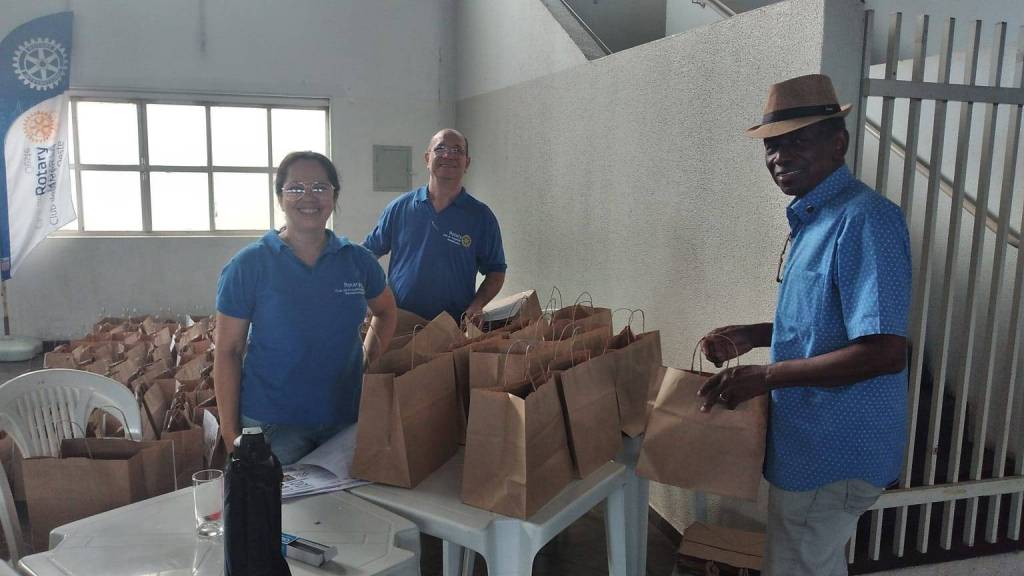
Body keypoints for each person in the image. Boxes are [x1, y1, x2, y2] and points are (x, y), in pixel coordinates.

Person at [697, 74, 912, 576]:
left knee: (798, 566)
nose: (779, 156)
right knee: (811, 561)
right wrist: (753, 335)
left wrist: (765, 376)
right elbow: (826, 324)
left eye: (798, 141)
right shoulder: (816, 216)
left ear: (839, 143)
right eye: (771, 145)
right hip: (809, 443)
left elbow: (884, 351)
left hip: (834, 448)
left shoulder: (866, 219)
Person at [214, 151, 397, 465]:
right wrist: (232, 437)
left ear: (334, 197)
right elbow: (228, 351)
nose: (308, 197)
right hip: (272, 424)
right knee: (273, 498)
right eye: (296, 188)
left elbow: (386, 311)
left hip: (344, 418)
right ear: (280, 198)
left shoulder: (357, 261)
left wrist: (368, 360)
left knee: (346, 498)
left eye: (320, 187)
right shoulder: (249, 265)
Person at [364, 128, 506, 324]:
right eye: (440, 148)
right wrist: (371, 297)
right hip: (398, 324)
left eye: (457, 150)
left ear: (467, 162)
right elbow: (367, 253)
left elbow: (496, 271)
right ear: (427, 158)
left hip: (452, 328)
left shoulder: (481, 217)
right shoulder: (399, 208)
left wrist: (477, 304)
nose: (448, 155)